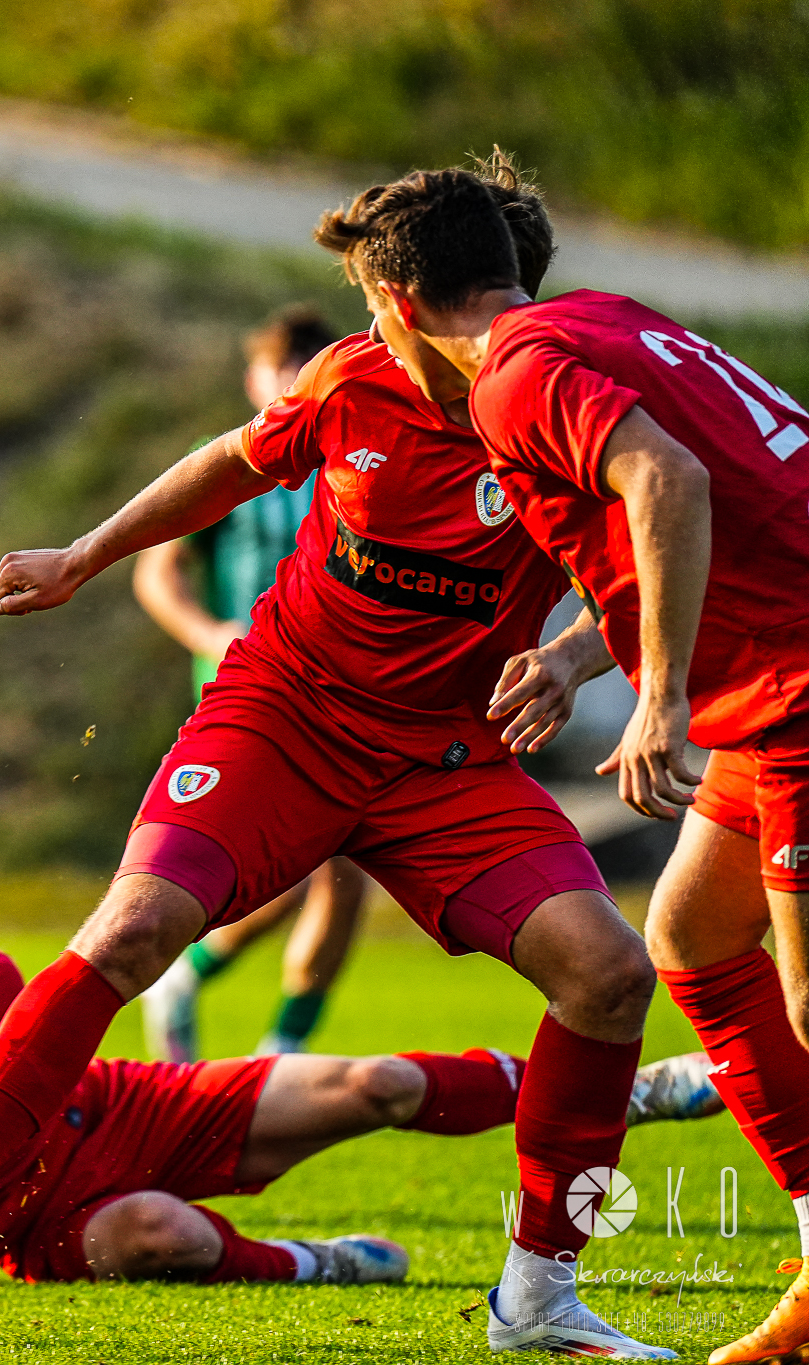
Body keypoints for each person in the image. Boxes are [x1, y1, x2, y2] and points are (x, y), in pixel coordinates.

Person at [0, 170, 682, 1359]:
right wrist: (83, 555)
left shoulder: (565, 412)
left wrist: (570, 656)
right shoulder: (352, 378)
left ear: (401, 298)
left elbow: (650, 551)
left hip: (442, 758)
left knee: (605, 975)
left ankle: (539, 1300)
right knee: (128, 932)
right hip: (281, 719)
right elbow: (231, 461)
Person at [322, 162, 809, 1365]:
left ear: (395, 303)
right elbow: (713, 502)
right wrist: (580, 654)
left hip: (796, 680)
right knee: (692, 939)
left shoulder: (511, 378)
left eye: (367, 312)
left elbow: (667, 483)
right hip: (773, 677)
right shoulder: (597, 321)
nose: (371, 340)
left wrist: (660, 699)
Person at [0, 857, 718, 1287]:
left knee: (376, 1083)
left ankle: (633, 1090)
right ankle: (319, 1262)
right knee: (160, 1234)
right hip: (36, 1226)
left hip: (124, 1108)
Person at [134, 306, 368, 1061]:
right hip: (248, 688)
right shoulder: (228, 461)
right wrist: (210, 634)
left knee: (347, 880)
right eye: (279, 366)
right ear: (254, 379)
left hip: (347, 692)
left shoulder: (356, 457)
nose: (292, 378)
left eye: (307, 364)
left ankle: (277, 1057)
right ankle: (186, 979)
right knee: (291, 874)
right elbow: (157, 574)